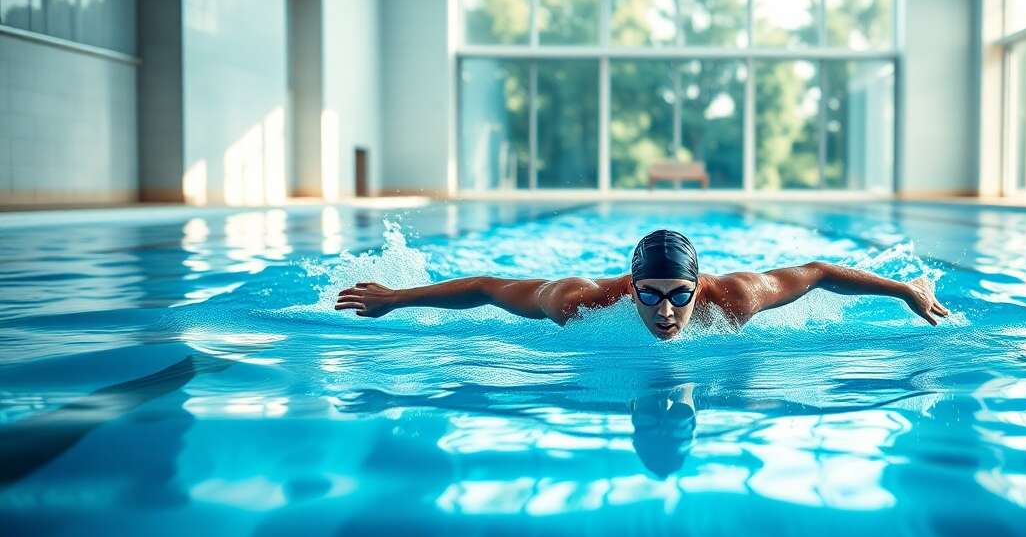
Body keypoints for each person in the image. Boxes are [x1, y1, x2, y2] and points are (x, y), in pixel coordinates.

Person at [335, 229, 950, 340]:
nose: (665, 310)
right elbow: (490, 288)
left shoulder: (735, 299)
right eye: (649, 295)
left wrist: (906, 291)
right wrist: (396, 299)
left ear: (698, 289)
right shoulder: (578, 302)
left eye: (679, 295)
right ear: (629, 290)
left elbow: (818, 274)